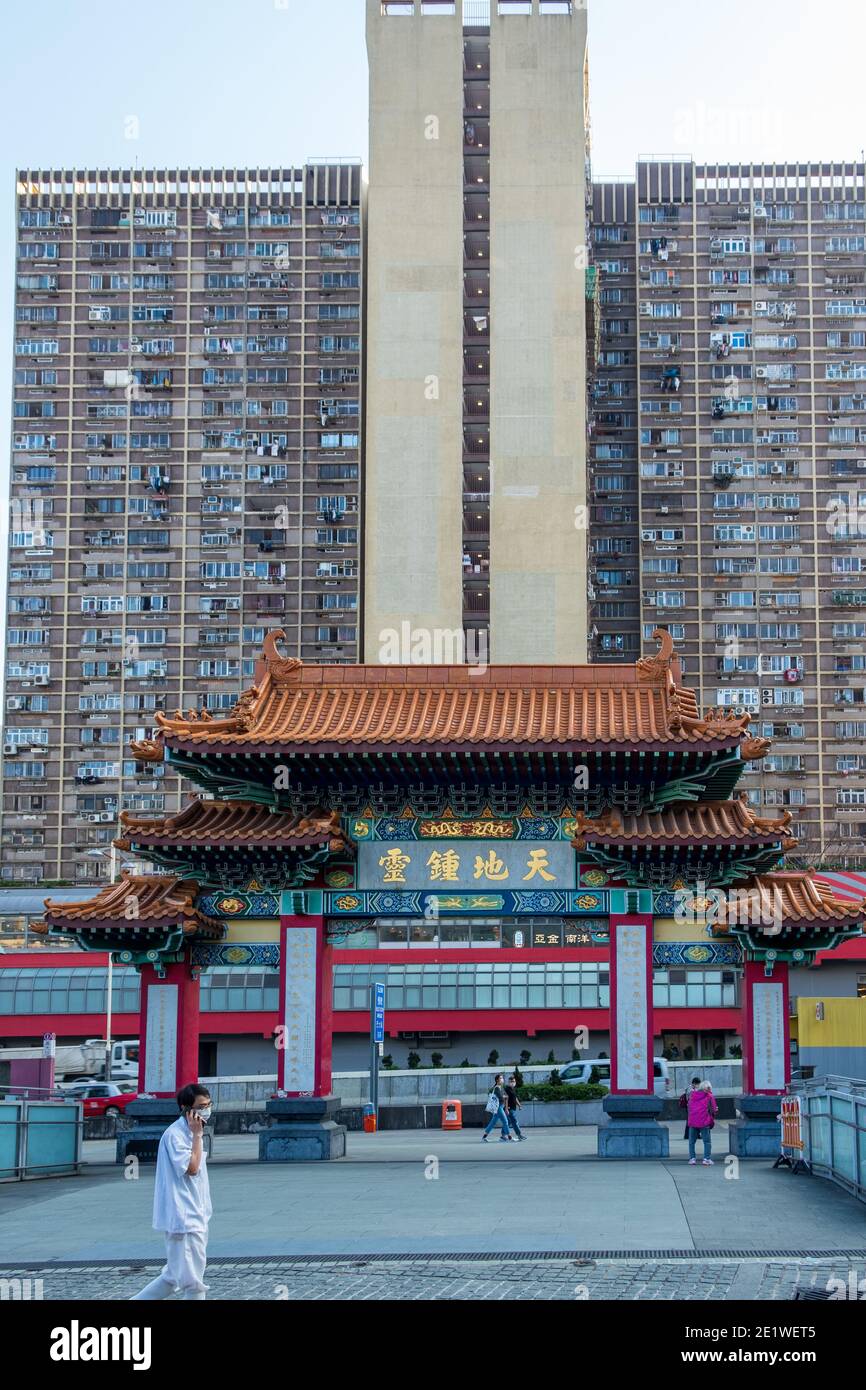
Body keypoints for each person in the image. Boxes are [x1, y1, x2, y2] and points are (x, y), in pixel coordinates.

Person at [131, 1083, 213, 1300]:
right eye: (201, 1106)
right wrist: (197, 1136)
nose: (206, 1110)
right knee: (193, 1284)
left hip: (193, 1215)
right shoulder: (177, 1135)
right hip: (184, 1219)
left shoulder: (187, 1132)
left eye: (209, 1105)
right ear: (186, 1108)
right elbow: (192, 1169)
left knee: (172, 1277)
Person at [687, 1080, 718, 1166]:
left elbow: (689, 1107)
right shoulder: (709, 1096)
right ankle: (706, 1159)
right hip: (704, 1122)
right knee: (707, 1142)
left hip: (693, 1121)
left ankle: (692, 1159)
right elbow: (714, 1109)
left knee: (691, 1142)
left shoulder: (692, 1095)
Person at [481, 1073, 514, 1142]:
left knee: (493, 1122)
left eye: (502, 1078)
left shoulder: (500, 1087)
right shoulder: (496, 1088)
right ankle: (509, 1137)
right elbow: (501, 1098)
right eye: (501, 1078)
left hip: (500, 1107)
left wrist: (504, 1098)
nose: (502, 1079)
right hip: (498, 1107)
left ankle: (484, 1137)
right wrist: (504, 1097)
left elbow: (504, 1096)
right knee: (505, 1121)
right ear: (497, 1080)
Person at [679, 1074, 701, 1141]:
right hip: (691, 1108)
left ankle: (690, 1135)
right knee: (692, 1121)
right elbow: (692, 1098)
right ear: (694, 1083)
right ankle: (690, 1135)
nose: (698, 1086)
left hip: (691, 1107)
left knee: (691, 1121)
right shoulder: (691, 1089)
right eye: (698, 1084)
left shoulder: (691, 1088)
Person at [504, 1073, 526, 1141]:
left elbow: (515, 1098)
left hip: (513, 1108)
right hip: (509, 1108)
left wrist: (519, 1105)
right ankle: (519, 1135)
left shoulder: (513, 1089)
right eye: (511, 1081)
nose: (513, 1083)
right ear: (509, 1082)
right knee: (514, 1121)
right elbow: (506, 1099)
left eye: (514, 1081)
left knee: (508, 1122)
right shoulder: (507, 1089)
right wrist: (506, 1108)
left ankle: (502, 1135)